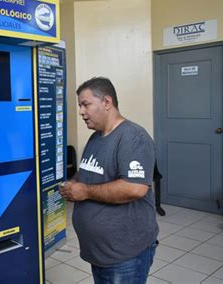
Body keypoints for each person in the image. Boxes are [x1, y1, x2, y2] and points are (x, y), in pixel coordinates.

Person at [59, 77, 158, 284]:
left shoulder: (133, 137)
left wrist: (84, 191)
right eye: (80, 106)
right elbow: (88, 170)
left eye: (86, 104)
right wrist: (73, 184)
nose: (81, 112)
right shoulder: (96, 137)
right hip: (101, 251)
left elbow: (135, 188)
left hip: (124, 255)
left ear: (106, 102)